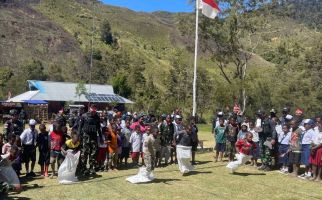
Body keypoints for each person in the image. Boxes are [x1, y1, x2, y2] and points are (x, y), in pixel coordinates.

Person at [78, 104, 102, 175]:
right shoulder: (84, 116)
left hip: (94, 137)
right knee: (85, 153)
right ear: (90, 108)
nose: (94, 111)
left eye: (95, 109)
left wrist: (100, 137)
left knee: (93, 153)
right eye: (92, 109)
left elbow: (98, 128)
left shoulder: (97, 117)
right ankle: (84, 168)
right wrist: (79, 136)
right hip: (86, 137)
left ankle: (91, 168)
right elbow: (80, 127)